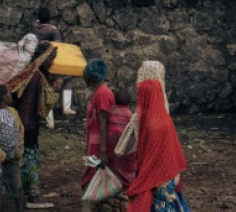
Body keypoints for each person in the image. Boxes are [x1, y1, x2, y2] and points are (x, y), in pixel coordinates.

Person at [8, 42, 60, 209]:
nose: (52, 62)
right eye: (51, 58)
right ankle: (33, 197)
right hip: (27, 128)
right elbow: (27, 106)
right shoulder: (35, 78)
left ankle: (24, 193)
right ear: (43, 57)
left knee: (25, 161)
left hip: (21, 125)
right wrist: (26, 133)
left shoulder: (31, 72)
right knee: (30, 160)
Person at [126, 79, 191, 212]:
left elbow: (151, 156)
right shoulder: (165, 119)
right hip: (170, 173)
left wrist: (142, 178)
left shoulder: (151, 124)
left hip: (157, 177)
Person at [81, 59, 135, 212]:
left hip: (100, 148)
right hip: (96, 146)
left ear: (90, 76)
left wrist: (103, 152)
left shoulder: (103, 93)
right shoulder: (99, 92)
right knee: (96, 180)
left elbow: (104, 124)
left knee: (97, 181)